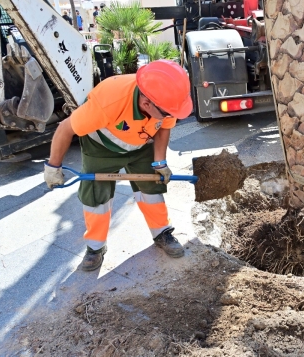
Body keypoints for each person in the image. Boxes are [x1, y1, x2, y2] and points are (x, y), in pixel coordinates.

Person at [43, 60, 193, 271]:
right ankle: (95, 248)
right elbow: (65, 129)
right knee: (96, 197)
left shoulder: (165, 102)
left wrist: (160, 162)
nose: (172, 116)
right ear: (147, 104)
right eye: (169, 113)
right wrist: (53, 167)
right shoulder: (109, 100)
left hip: (141, 144)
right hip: (101, 147)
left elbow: (163, 127)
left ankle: (162, 232)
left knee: (152, 188)